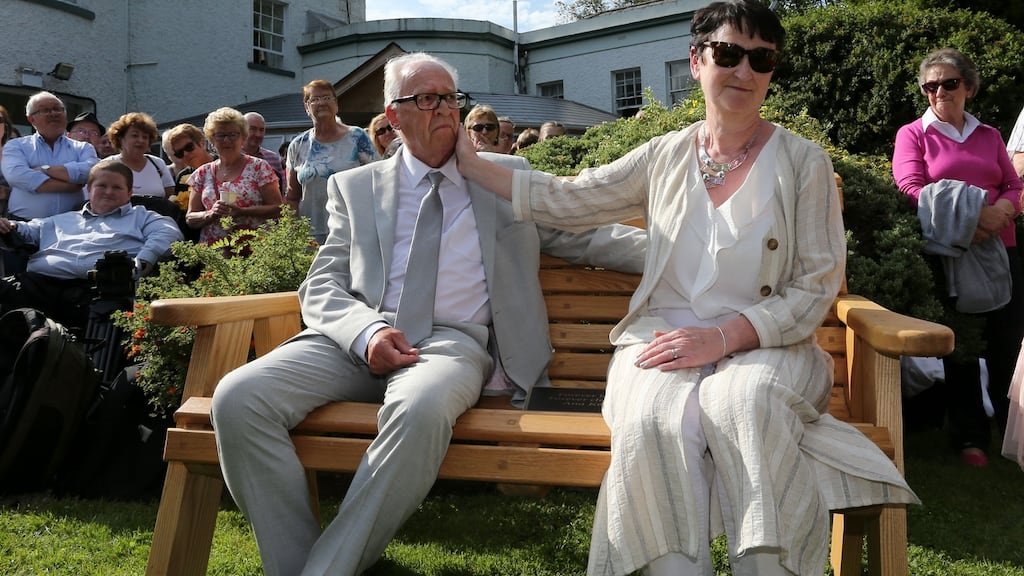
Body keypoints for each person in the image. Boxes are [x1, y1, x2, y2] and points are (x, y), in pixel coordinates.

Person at [457, 2, 917, 574]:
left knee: (743, 401)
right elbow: (570, 198)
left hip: (772, 345)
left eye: (761, 58)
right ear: (696, 60)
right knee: (655, 417)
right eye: (728, 54)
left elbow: (817, 284)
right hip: (661, 334)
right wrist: (470, 163)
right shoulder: (665, 155)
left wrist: (725, 338)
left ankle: (767, 568)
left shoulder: (804, 164)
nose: (744, 71)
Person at [209, 52, 646, 576]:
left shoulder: (503, 177)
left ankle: (325, 571)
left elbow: (589, 236)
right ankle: (300, 564)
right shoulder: (357, 187)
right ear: (393, 115)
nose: (443, 109)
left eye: (449, 98)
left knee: (419, 407)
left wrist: (698, 252)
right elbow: (321, 284)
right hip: (356, 340)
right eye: (425, 98)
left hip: (449, 345)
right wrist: (365, 331)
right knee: (237, 399)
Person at [893, 48, 1023, 467]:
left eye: (948, 83)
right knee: (962, 348)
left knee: (1009, 346)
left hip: (1004, 251)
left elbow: (1013, 185)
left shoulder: (988, 135)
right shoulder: (914, 134)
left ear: (968, 86)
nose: (939, 92)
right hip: (952, 254)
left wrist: (1002, 212)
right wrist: (973, 216)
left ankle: (1014, 430)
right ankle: (970, 437)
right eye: (930, 86)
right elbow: (910, 188)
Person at [0, 159, 182, 329]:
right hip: (40, 287)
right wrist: (9, 225)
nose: (108, 192)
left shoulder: (143, 217)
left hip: (98, 293)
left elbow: (168, 233)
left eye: (116, 187)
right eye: (101, 185)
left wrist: (143, 262)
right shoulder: (61, 219)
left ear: (129, 193)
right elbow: (26, 230)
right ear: (89, 189)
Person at [285, 79, 379, 244]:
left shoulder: (357, 138)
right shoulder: (298, 145)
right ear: (307, 108)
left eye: (327, 98)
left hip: (352, 231)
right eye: (314, 99)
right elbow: (292, 197)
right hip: (310, 237)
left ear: (336, 104)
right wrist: (294, 234)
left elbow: (377, 181)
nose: (321, 103)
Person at [185, 107, 282, 245]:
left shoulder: (259, 167)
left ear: (243, 138)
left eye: (233, 135)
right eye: (221, 135)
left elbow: (278, 208)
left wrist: (242, 211)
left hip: (255, 252)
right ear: (212, 140)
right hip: (214, 256)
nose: (227, 140)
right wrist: (210, 213)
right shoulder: (202, 173)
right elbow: (190, 218)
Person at [1, 91, 97, 220]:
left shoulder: (83, 147)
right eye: (46, 110)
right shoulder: (16, 146)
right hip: (24, 225)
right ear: (31, 119)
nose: (54, 113)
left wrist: (45, 170)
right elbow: (17, 176)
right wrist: (70, 185)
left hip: (72, 227)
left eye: (58, 109)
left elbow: (90, 172)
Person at [107, 112, 175, 198]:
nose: (141, 140)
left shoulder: (158, 164)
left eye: (145, 137)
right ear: (120, 139)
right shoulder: (108, 165)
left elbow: (171, 198)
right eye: (135, 135)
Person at [242, 112, 285, 187]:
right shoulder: (232, 158)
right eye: (253, 129)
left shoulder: (273, 158)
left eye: (261, 130)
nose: (258, 134)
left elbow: (283, 189)